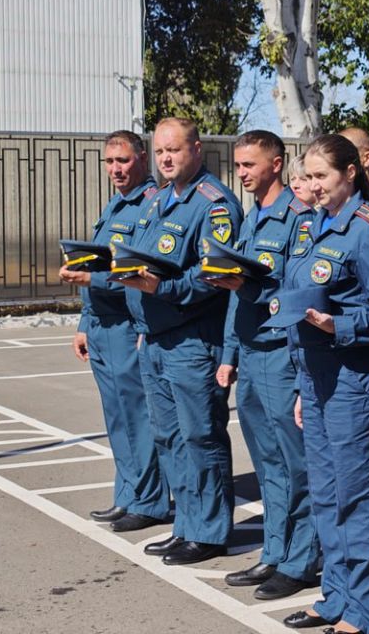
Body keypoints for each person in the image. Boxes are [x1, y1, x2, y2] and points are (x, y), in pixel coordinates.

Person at [280, 134, 369, 634]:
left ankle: (367, 608)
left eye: (322, 177)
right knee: (327, 494)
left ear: (350, 173)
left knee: (358, 495)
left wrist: (340, 326)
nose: (314, 186)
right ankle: (338, 596)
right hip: (317, 375)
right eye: (308, 177)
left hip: (356, 378)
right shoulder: (312, 224)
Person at [120, 117, 243, 565]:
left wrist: (160, 291)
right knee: (169, 437)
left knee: (200, 436)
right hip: (155, 339)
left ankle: (209, 531)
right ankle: (186, 524)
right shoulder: (158, 202)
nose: (166, 159)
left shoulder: (214, 204)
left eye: (174, 150)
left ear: (196, 149)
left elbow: (214, 276)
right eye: (160, 152)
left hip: (192, 340)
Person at [208, 131, 320, 599]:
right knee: (267, 461)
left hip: (280, 353)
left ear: (276, 165)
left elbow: (299, 292)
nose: (241, 173)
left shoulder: (299, 218)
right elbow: (238, 298)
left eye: (249, 165)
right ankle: (275, 549)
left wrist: (247, 287)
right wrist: (230, 354)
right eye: (237, 166)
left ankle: (301, 558)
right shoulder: (252, 219)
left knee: (296, 464)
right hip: (251, 356)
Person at [58, 131, 169, 531]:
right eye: (109, 162)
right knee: (117, 417)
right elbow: (99, 262)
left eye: (122, 160)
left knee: (138, 416)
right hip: (103, 326)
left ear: (142, 158)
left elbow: (136, 271)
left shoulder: (150, 205)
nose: (116, 169)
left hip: (127, 324)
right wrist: (84, 324)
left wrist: (91, 283)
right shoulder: (115, 204)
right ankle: (128, 495)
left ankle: (150, 500)